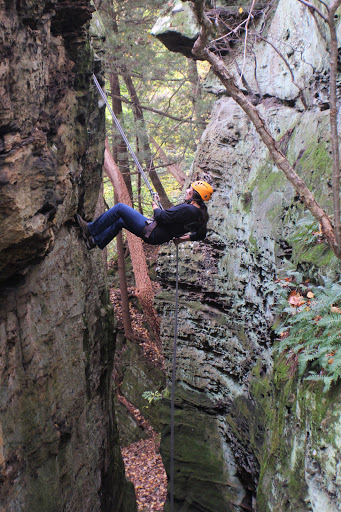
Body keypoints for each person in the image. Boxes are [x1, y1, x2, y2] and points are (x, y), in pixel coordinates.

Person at [76, 180, 213, 250]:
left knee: (120, 208)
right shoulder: (201, 213)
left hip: (152, 231)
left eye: (190, 190)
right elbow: (201, 234)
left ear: (194, 196)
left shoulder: (188, 209)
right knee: (121, 221)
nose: (187, 190)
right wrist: (181, 239)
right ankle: (94, 241)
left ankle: (90, 229)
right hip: (158, 235)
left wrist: (155, 205)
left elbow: (161, 216)